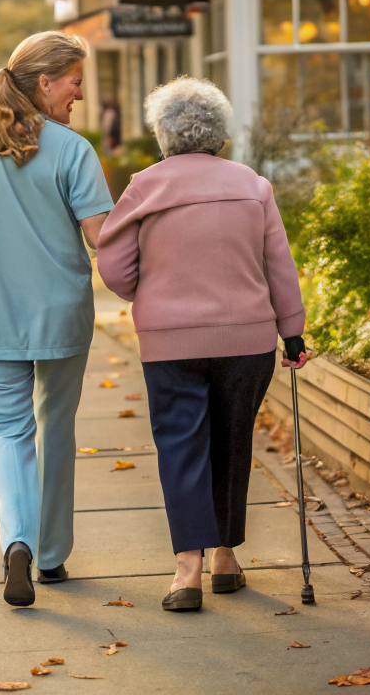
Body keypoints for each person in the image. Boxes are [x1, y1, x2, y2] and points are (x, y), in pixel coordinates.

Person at [96, 77, 307, 612]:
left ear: (163, 134)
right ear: (219, 133)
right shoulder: (253, 186)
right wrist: (293, 331)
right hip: (247, 340)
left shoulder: (145, 186)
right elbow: (279, 266)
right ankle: (225, 559)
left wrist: (150, 292)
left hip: (170, 340)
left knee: (181, 446)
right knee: (233, 443)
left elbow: (113, 262)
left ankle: (187, 570)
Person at [0, 31, 115, 608]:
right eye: (74, 81)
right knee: (56, 428)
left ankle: (18, 542)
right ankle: (53, 553)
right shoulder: (73, 150)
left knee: (6, 433)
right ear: (44, 83)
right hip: (59, 314)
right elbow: (101, 236)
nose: (79, 94)